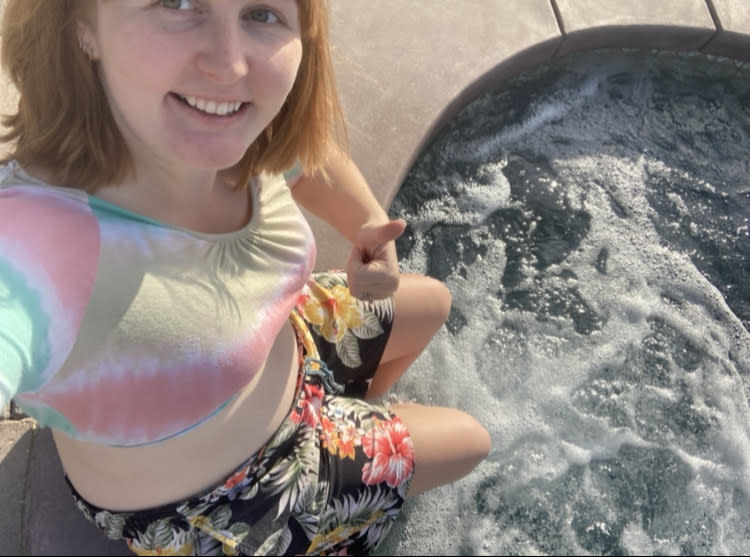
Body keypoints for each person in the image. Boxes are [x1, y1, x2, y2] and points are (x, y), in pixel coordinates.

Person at [0, 1, 491, 555]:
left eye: (261, 12)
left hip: (285, 348)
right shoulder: (33, 245)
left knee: (434, 303)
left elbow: (302, 156)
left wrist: (371, 230)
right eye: (177, 2)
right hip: (235, 502)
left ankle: (352, 416)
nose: (230, 65)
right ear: (81, 22)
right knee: (470, 441)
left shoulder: (227, 120)